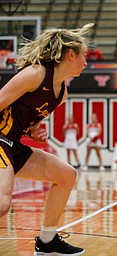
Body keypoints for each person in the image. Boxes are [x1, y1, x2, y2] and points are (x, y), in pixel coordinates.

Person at [0, 23, 93, 255]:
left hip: (14, 145)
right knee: (2, 202)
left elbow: (31, 123)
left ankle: (47, 241)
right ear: (70, 54)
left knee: (66, 175)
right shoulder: (36, 74)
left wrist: (35, 131)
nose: (86, 62)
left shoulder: (61, 94)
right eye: (84, 56)